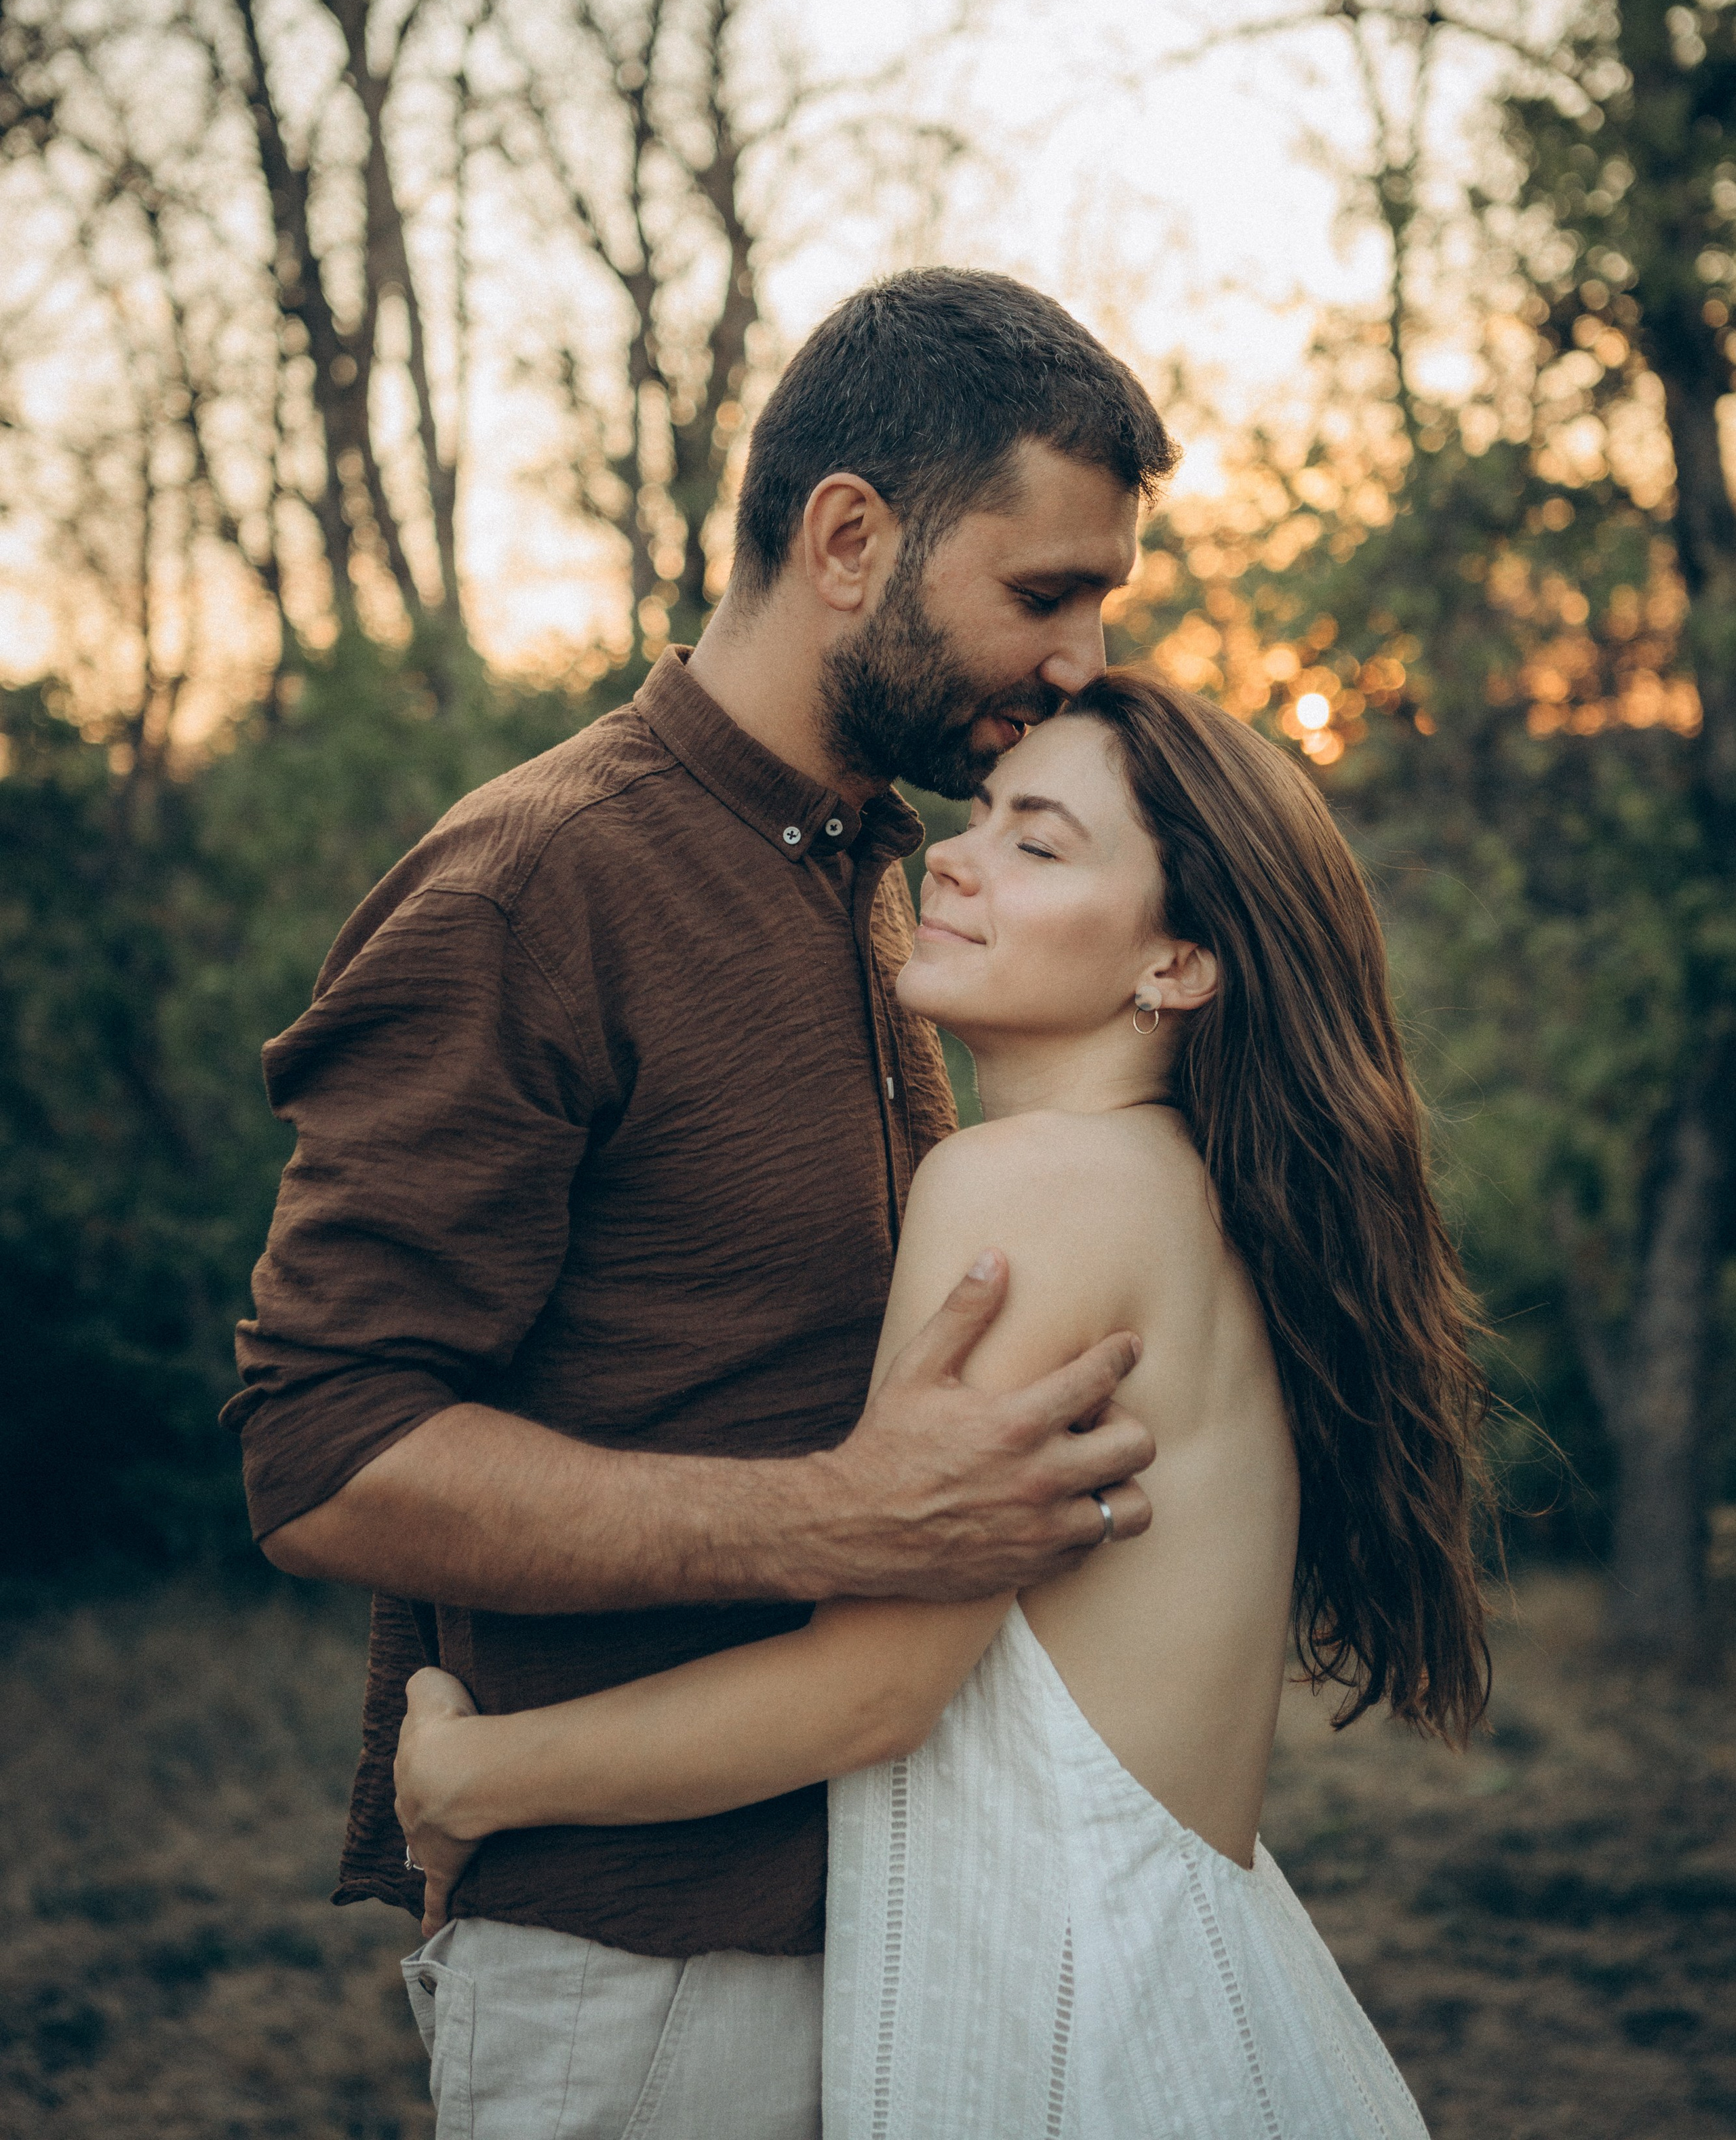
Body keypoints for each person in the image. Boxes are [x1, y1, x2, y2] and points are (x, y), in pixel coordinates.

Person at [224, 269, 1181, 2137]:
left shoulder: (891, 879)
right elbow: (322, 1450)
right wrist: (839, 1518)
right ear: (850, 540)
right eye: (1043, 591)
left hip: (915, 1938)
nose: (1076, 658)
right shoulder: (535, 890)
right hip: (645, 1987)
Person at [393, 672, 1493, 2139]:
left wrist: (474, 1773)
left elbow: (874, 1688)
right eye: (978, 815)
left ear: (1176, 964)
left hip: (1072, 2054)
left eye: (1038, 843)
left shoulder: (1027, 1188)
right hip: (1195, 2014)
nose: (951, 857)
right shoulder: (1170, 1193)